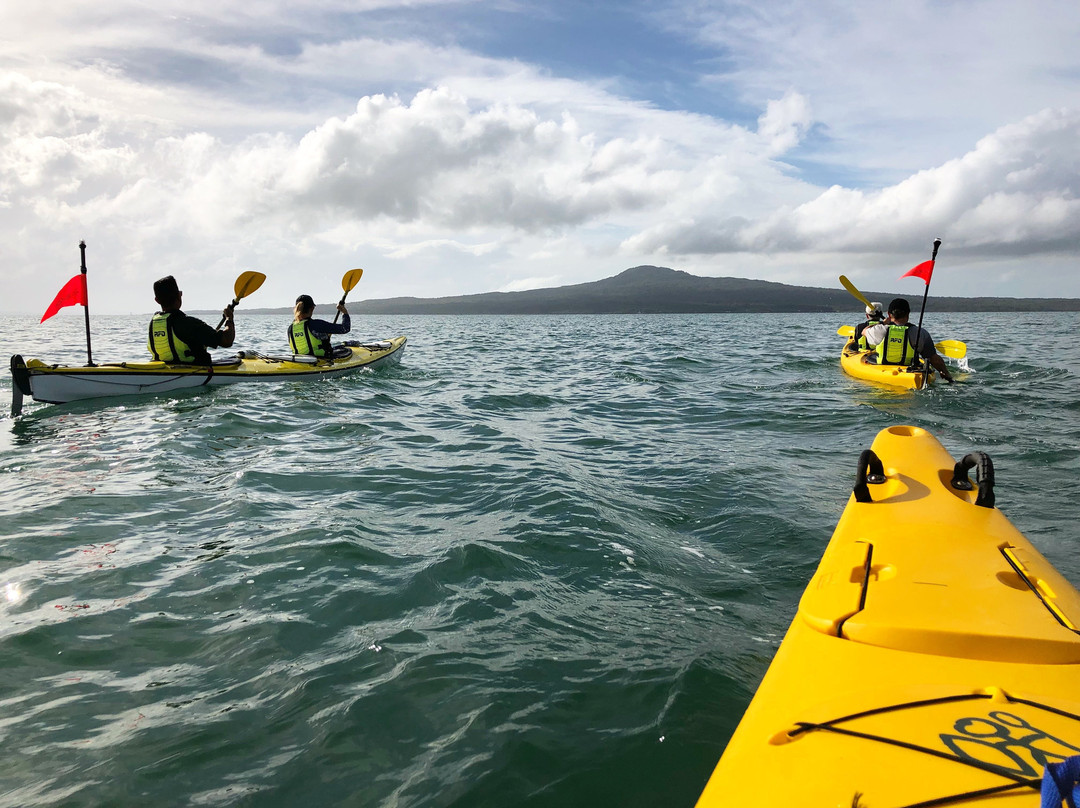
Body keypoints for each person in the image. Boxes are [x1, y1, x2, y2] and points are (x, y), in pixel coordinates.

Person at [863, 297, 954, 383]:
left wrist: (882, 323)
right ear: (908, 314)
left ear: (889, 314)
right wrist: (946, 374)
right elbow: (933, 358)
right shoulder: (920, 333)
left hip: (884, 372)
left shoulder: (879, 330)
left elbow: (864, 331)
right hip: (909, 373)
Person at [148, 275, 235, 364]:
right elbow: (227, 341)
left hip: (163, 372)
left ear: (157, 300)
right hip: (194, 373)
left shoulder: (153, 323)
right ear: (179, 295)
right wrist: (229, 318)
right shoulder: (189, 324)